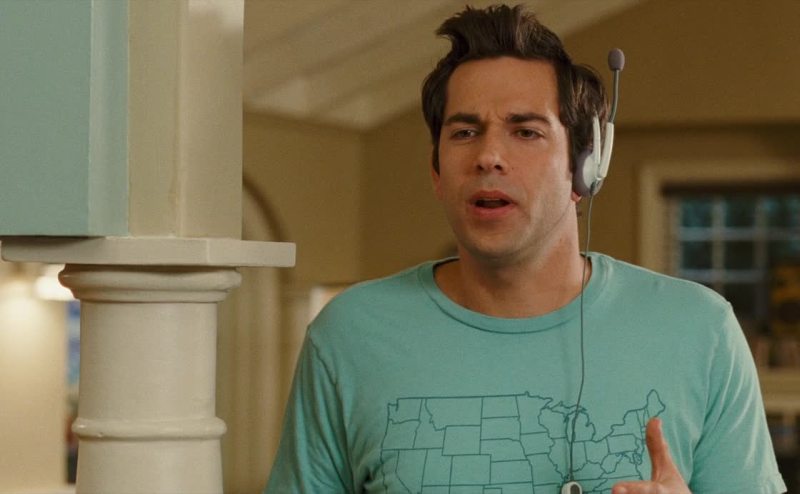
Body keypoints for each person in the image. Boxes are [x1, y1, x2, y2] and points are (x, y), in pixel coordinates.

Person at [265, 4, 786, 493]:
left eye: (526, 132)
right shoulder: (349, 334)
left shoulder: (701, 330)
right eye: (464, 132)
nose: (489, 156)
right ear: (437, 172)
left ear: (584, 169)